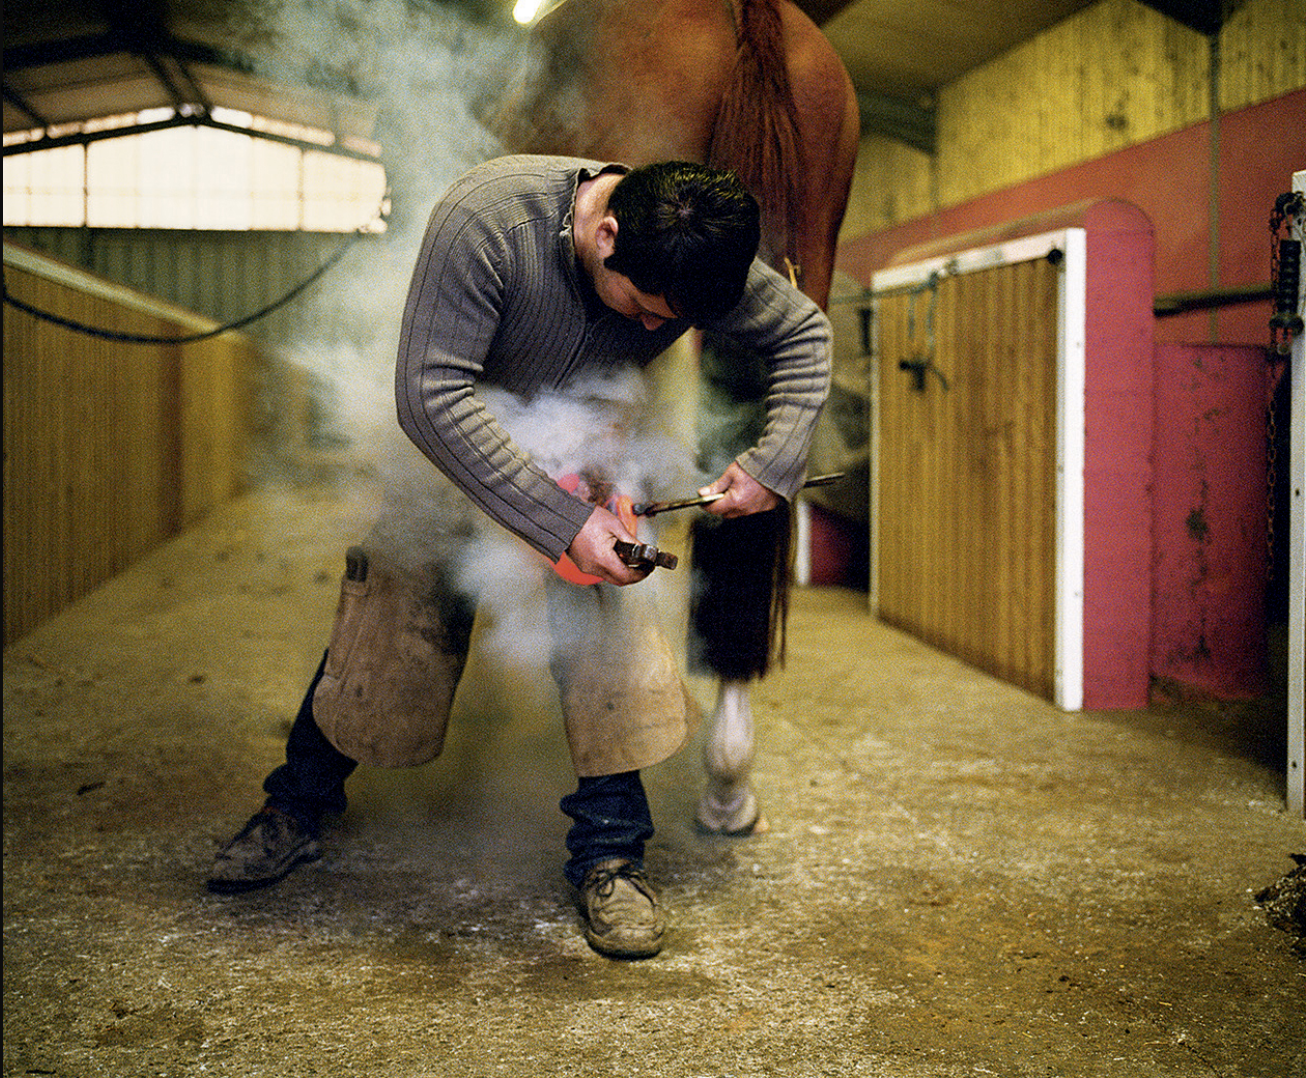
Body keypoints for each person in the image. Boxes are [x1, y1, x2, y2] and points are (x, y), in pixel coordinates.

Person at [207, 155, 831, 958]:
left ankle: (611, 854)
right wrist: (559, 519)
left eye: (669, 323)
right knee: (394, 613)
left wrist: (774, 462)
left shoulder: (694, 251)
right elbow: (429, 395)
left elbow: (804, 332)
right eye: (644, 310)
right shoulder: (488, 223)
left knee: (605, 611)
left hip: (588, 436)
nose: (652, 332)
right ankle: (295, 807)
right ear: (606, 236)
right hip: (456, 444)